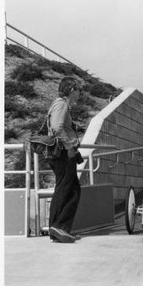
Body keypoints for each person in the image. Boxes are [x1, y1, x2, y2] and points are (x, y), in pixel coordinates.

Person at [47, 77, 83, 243]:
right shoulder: (61, 104)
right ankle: (59, 226)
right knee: (70, 189)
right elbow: (56, 128)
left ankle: (57, 228)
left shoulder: (61, 104)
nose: (79, 92)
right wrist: (69, 147)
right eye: (78, 89)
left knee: (66, 188)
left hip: (62, 153)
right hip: (63, 153)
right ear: (71, 90)